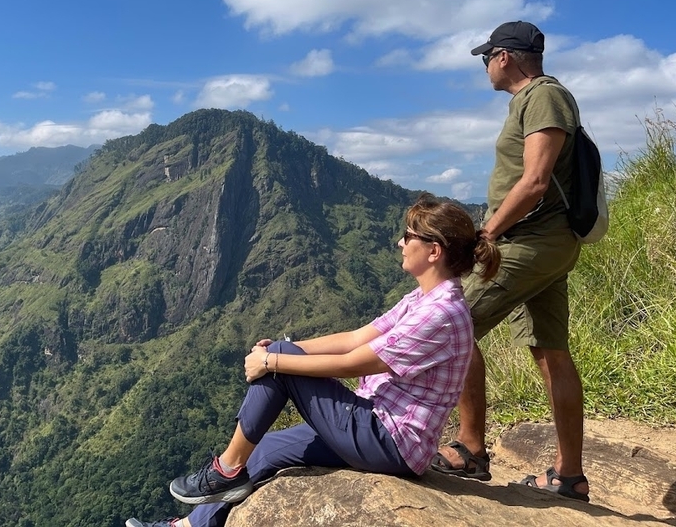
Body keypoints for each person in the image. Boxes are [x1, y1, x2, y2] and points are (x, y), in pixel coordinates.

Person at [124, 195, 501, 527]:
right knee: (268, 448)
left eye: (409, 236)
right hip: (374, 424)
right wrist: (290, 346)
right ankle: (190, 525)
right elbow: (355, 337)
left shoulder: (440, 314)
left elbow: (352, 362)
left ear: (433, 251)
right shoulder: (421, 300)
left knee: (282, 366)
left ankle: (224, 469)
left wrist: (273, 361)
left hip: (391, 442)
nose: (401, 242)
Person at [430, 20, 591, 502]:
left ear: (505, 57)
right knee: (549, 349)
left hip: (532, 241)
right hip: (542, 240)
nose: (484, 67)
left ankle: (471, 447)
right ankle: (569, 476)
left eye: (486, 58)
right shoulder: (531, 100)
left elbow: (537, 180)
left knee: (453, 323)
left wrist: (489, 233)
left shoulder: (543, 95)